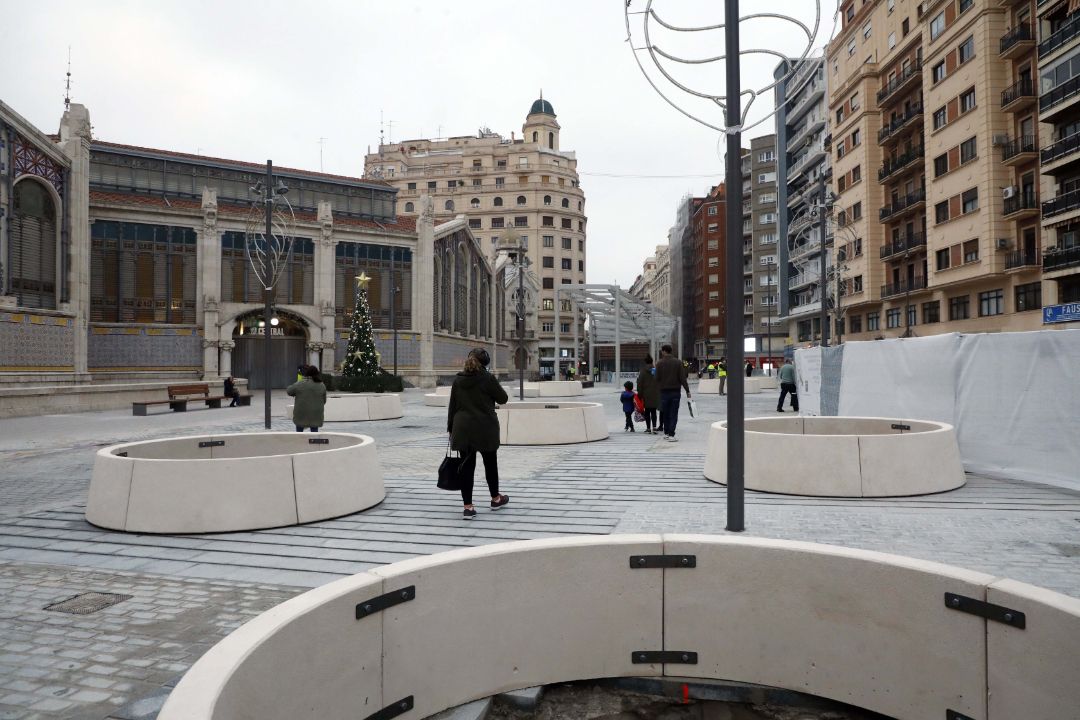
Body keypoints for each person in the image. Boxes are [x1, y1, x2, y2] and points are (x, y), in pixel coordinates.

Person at [448, 348, 510, 520]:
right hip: (485, 428)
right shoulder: (487, 378)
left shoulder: (458, 380)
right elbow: (503, 398)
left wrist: (450, 429)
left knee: (466, 467)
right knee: (490, 464)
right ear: (485, 363)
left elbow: (452, 406)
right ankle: (495, 499)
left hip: (463, 429)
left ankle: (468, 507)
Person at [655, 344, 691, 442]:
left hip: (663, 392)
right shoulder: (678, 362)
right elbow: (682, 378)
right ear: (670, 351)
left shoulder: (659, 363)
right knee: (673, 413)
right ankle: (671, 434)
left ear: (663, 351)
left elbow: (657, 378)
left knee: (665, 413)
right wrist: (687, 390)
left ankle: (666, 433)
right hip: (675, 392)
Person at [286, 366, 326, 432]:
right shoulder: (322, 385)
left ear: (307, 373)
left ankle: (300, 441)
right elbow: (324, 401)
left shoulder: (300, 383)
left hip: (301, 413)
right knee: (314, 433)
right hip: (316, 414)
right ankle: (313, 440)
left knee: (299, 433)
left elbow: (289, 391)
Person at [636, 355, 660, 435]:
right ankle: (655, 427)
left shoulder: (643, 372)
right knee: (653, 411)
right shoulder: (656, 371)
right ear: (652, 361)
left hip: (645, 394)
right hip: (655, 394)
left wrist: (639, 394)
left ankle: (648, 428)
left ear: (645, 362)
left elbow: (639, 383)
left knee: (647, 412)